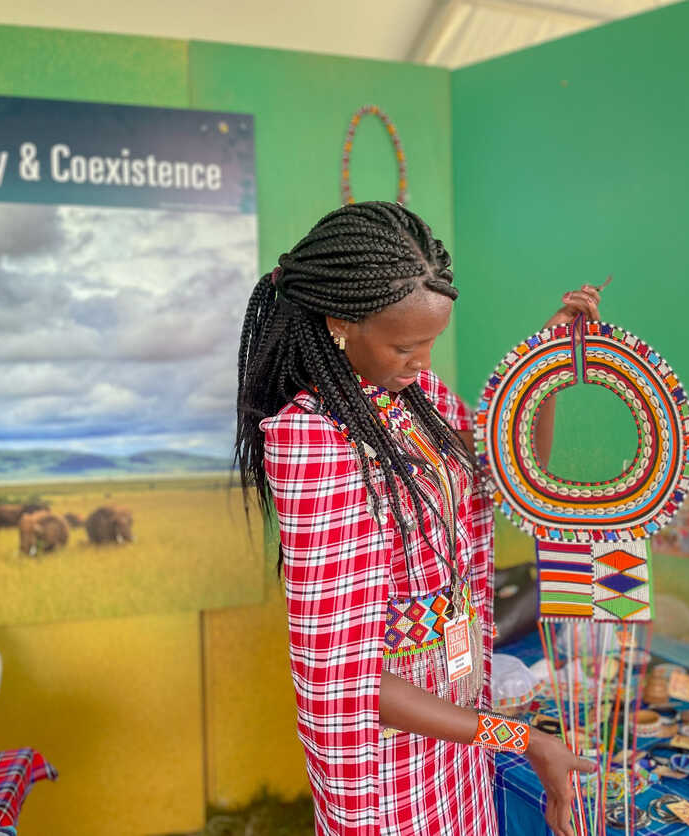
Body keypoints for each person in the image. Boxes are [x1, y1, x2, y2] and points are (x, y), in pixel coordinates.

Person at [234, 202, 595, 835]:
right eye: (405, 345)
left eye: (431, 343)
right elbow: (350, 679)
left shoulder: (415, 400)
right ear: (341, 323)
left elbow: (515, 468)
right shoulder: (313, 439)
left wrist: (548, 367)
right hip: (387, 768)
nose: (422, 362)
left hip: (456, 723)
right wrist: (520, 739)